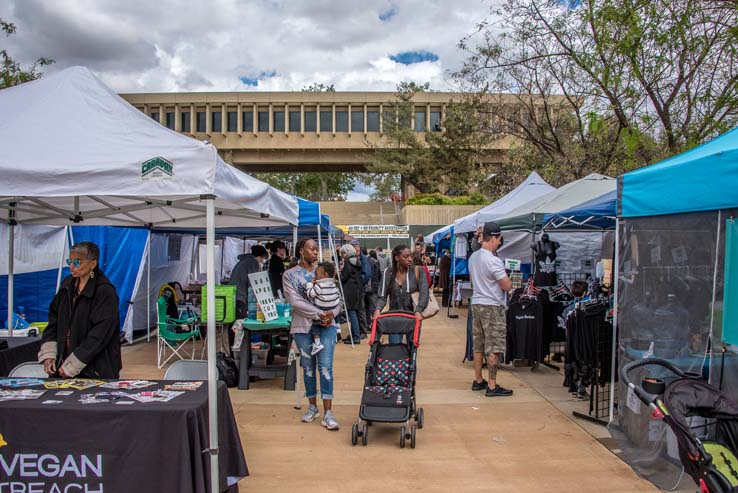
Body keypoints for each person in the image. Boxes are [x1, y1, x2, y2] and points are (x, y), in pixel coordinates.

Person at [38, 241, 122, 378]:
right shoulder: (67, 285)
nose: (71, 267)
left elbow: (100, 334)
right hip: (62, 366)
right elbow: (54, 321)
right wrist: (49, 354)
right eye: (69, 261)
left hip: (96, 369)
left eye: (77, 262)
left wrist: (74, 364)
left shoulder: (104, 291)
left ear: (92, 264)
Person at [283, 239, 340, 430]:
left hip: (327, 326)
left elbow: (337, 298)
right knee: (308, 367)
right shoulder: (289, 275)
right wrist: (319, 313)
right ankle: (312, 406)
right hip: (302, 327)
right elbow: (295, 301)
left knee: (325, 367)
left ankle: (328, 412)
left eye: (317, 249)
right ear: (301, 251)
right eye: (312, 248)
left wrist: (332, 313)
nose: (316, 251)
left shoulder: (325, 271)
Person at [468, 221, 514, 397]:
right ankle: (492, 385)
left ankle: (478, 380)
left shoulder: (474, 257)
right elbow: (506, 285)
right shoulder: (494, 261)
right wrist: (510, 281)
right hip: (493, 305)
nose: (500, 242)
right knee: (494, 345)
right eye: (499, 239)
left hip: (477, 302)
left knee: (478, 345)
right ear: (494, 238)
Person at [374, 244, 428, 344]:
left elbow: (424, 293)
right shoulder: (388, 273)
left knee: (412, 350)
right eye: (406, 256)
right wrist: (378, 310)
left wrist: (419, 310)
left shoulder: (418, 271)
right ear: (397, 258)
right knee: (394, 350)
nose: (410, 259)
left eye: (410, 256)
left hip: (413, 318)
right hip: (394, 318)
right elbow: (382, 296)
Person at [305, 262, 341, 355]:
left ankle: (317, 343)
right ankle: (337, 326)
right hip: (332, 309)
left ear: (324, 275)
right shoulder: (333, 285)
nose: (315, 276)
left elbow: (310, 294)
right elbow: (338, 297)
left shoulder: (319, 285)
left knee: (315, 325)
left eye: (317, 274)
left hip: (321, 309)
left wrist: (309, 285)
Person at [230, 244, 268, 319]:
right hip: (240, 296)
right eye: (262, 258)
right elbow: (253, 281)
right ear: (259, 256)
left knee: (235, 320)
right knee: (241, 321)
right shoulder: (252, 262)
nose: (262, 261)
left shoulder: (243, 261)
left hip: (233, 294)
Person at [339, 243, 363, 344]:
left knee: (352, 313)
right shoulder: (356, 262)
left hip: (350, 291)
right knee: (354, 313)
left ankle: (356, 337)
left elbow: (344, 277)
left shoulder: (348, 263)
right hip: (356, 290)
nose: (342, 255)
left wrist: (339, 273)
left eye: (343, 253)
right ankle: (354, 335)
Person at [350, 240, 372, 337]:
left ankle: (363, 331)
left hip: (361, 288)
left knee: (361, 309)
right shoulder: (354, 258)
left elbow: (367, 274)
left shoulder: (364, 259)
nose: (353, 248)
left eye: (354, 246)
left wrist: (358, 283)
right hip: (357, 288)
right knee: (358, 309)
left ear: (357, 247)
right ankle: (359, 331)